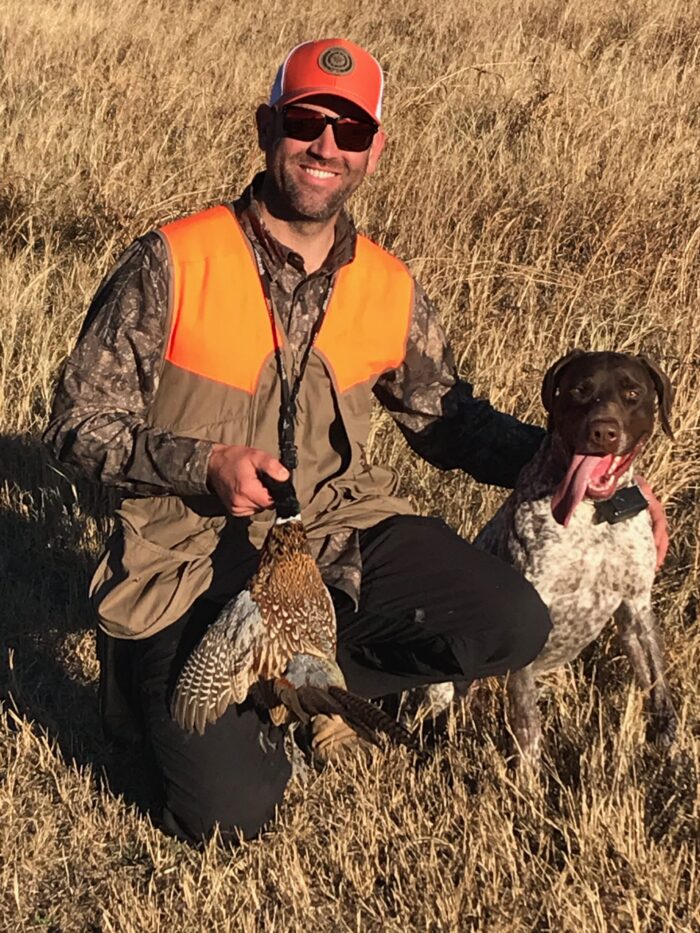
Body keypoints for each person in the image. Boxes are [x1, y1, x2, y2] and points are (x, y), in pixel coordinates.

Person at [44, 37, 556, 845]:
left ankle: (301, 684)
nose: (326, 147)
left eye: (350, 132)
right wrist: (201, 464)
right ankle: (166, 686)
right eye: (306, 121)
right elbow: (74, 425)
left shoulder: (386, 284)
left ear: (373, 152)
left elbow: (453, 423)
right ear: (266, 126)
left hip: (337, 534)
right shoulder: (173, 262)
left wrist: (590, 471)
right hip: (193, 558)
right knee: (225, 816)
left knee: (512, 620)